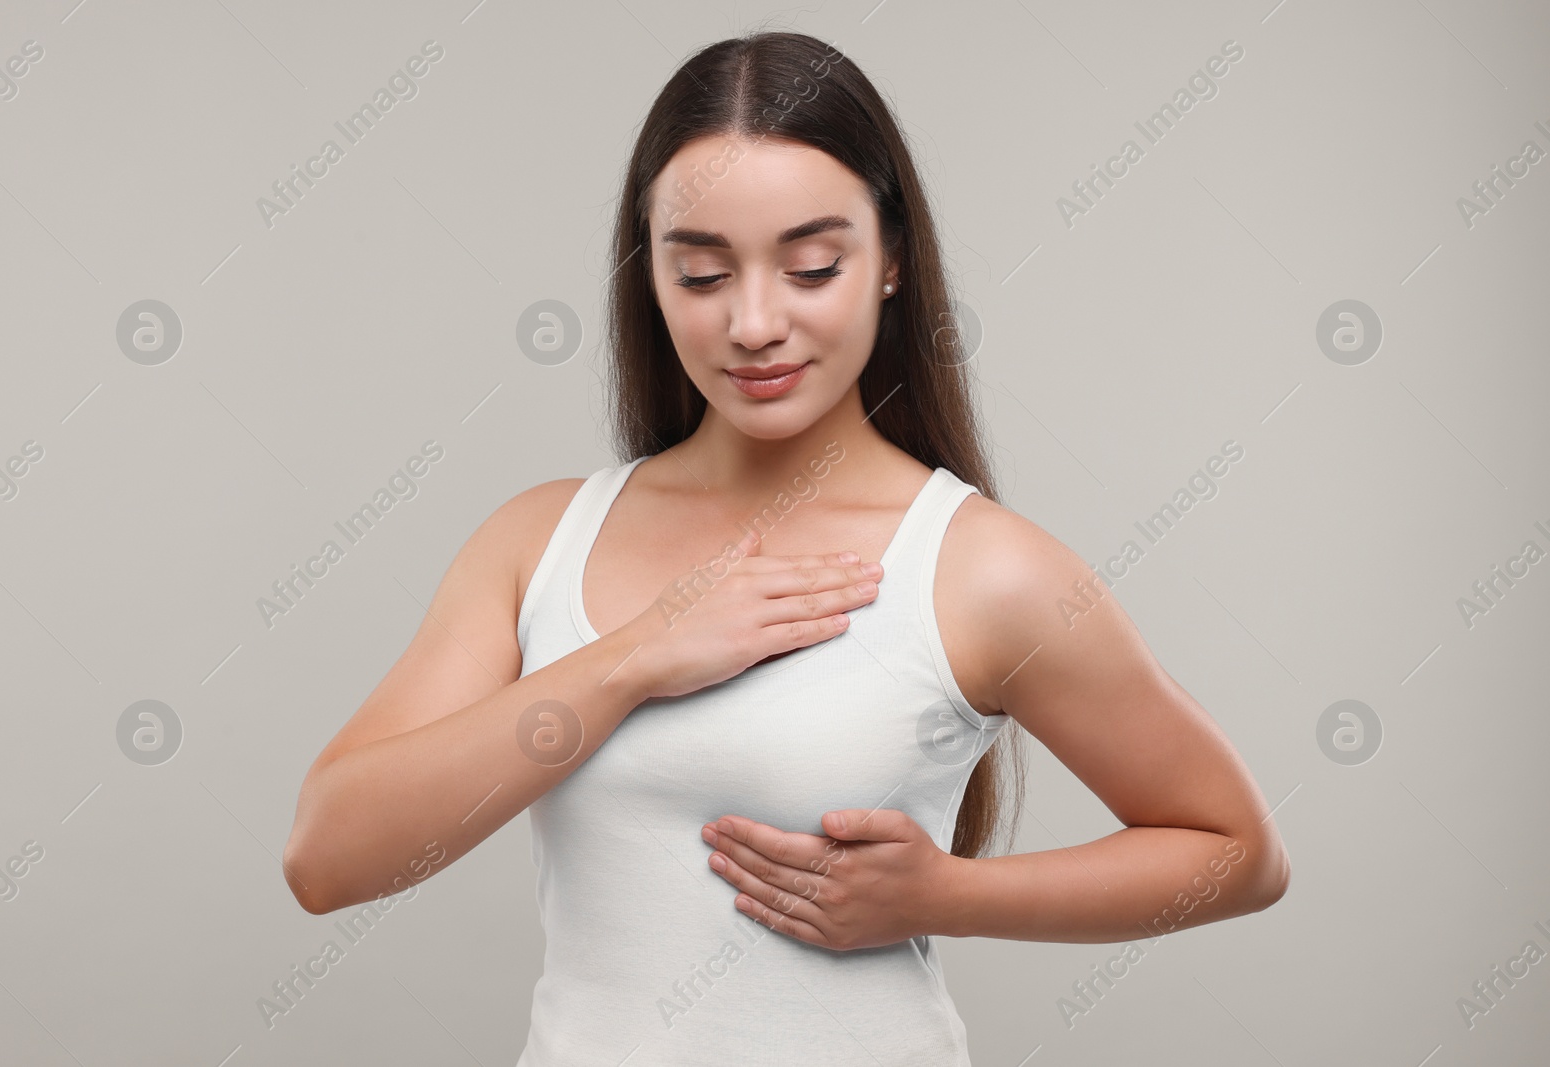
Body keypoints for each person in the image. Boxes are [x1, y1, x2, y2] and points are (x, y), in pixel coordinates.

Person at [282, 29, 1290, 1065]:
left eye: (811, 266)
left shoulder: (980, 569)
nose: (753, 322)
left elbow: (1237, 851)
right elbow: (329, 855)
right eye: (702, 274)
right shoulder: (537, 540)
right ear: (651, 278)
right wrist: (634, 656)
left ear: (891, 259)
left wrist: (948, 892)